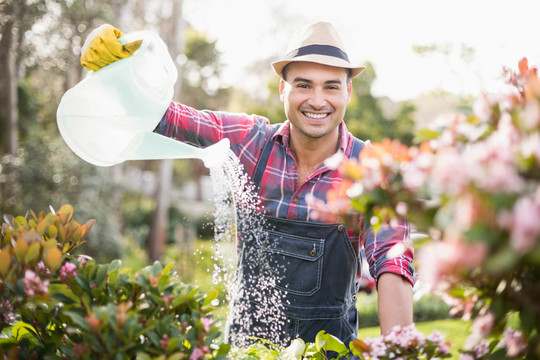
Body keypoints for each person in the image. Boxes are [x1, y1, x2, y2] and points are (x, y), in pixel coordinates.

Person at [80, 21, 415, 347]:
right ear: (283, 88)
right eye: (303, 84)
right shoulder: (250, 142)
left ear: (348, 91)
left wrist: (401, 351)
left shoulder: (371, 171)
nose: (317, 100)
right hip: (246, 349)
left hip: (328, 352)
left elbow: (393, 262)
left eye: (331, 86)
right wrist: (117, 75)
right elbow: (167, 118)